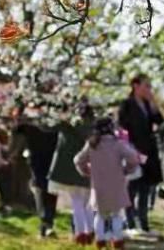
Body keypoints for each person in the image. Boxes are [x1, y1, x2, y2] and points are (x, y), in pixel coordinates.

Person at [74, 117, 140, 250]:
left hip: (98, 185)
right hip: (116, 184)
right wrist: (127, 170)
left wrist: (86, 171)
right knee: (116, 214)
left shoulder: (91, 144)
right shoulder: (118, 144)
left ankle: (100, 241)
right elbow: (133, 158)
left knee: (100, 214)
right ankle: (117, 241)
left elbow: (78, 160)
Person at [118, 74, 164, 236]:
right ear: (136, 86)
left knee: (146, 186)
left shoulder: (146, 104)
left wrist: (153, 103)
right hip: (133, 150)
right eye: (146, 86)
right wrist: (128, 150)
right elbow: (122, 129)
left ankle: (143, 223)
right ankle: (130, 223)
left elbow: (160, 121)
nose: (149, 89)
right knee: (132, 188)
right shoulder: (126, 105)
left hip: (148, 151)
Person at [47, 98, 95, 245]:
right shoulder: (93, 126)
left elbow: (47, 127)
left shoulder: (66, 123)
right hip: (88, 166)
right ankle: (90, 231)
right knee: (88, 203)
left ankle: (80, 233)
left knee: (77, 202)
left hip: (69, 168)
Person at [10, 105, 59, 238]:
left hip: (47, 156)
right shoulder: (30, 116)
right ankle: (46, 223)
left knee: (46, 189)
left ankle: (47, 223)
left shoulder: (50, 111)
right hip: (41, 156)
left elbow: (16, 129)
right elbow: (17, 129)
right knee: (44, 188)